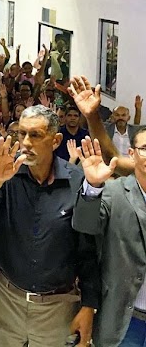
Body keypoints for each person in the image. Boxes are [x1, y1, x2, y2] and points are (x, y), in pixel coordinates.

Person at [0, 105, 99, 347]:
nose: (26, 142)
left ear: (55, 140)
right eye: (22, 134)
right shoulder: (6, 174)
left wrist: (89, 305)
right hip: (5, 297)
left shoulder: (77, 181)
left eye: (36, 135)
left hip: (56, 306)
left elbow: (87, 248)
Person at [72, 134, 146, 346]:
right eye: (145, 148)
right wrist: (93, 186)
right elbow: (85, 225)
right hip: (124, 318)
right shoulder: (115, 192)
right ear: (131, 154)